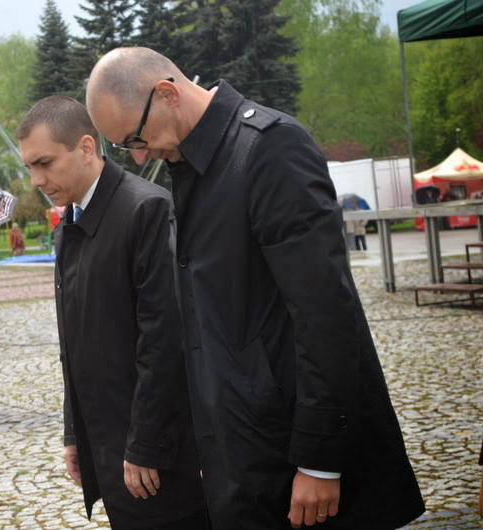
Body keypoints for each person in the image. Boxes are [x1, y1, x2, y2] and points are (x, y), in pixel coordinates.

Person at [86, 47, 425, 529]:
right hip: (244, 456)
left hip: (294, 458)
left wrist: (320, 459)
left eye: (136, 138)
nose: (140, 156)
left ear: (166, 94)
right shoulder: (192, 165)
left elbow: (326, 314)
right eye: (125, 147)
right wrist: (210, 446)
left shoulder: (269, 148)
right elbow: (206, 325)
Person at [16, 95, 206, 529]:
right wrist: (74, 434)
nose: (35, 180)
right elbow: (74, 344)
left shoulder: (146, 209)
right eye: (29, 167)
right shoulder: (68, 225)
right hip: (110, 447)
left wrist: (146, 444)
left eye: (44, 163)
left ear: (86, 148)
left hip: (158, 457)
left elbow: (165, 341)